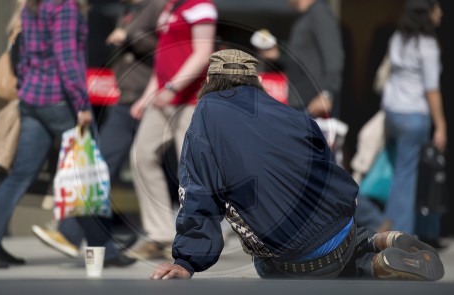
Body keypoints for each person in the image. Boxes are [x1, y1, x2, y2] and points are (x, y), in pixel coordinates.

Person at [149, 49, 444, 281]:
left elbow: (198, 193)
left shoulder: (205, 116)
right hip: (342, 228)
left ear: (209, 82)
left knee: (272, 262)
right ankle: (374, 243)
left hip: (297, 262)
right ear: (257, 82)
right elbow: (328, 173)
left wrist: (186, 261)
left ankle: (370, 266)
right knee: (327, 231)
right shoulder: (291, 114)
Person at [0, 0, 134, 269]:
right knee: (86, 170)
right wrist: (82, 104)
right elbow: (67, 60)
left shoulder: (33, 5)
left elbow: (25, 54)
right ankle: (107, 252)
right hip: (59, 101)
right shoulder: (64, 7)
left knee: (21, 175)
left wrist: (27, 88)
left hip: (32, 98)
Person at [31, 0, 168, 259]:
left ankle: (165, 237)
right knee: (99, 166)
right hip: (126, 99)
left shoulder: (158, 7)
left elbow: (167, 49)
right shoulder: (130, 10)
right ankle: (73, 234)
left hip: (149, 98)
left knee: (147, 165)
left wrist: (130, 37)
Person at [128, 0, 217, 260]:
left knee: (189, 171)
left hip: (189, 101)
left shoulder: (201, 5)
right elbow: (163, 60)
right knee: (141, 156)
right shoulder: (170, 8)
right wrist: (146, 98)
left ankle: (196, 238)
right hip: (163, 99)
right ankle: (160, 235)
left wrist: (172, 89)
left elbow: (203, 53)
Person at [381, 0, 447, 235]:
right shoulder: (427, 45)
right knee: (406, 177)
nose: (441, 12)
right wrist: (441, 124)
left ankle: (387, 222)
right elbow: (431, 89)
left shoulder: (398, 38)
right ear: (427, 13)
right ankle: (400, 236)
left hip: (392, 112)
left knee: (397, 171)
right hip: (413, 115)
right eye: (437, 7)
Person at [258, 0, 344, 118]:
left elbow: (333, 56)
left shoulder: (319, 12)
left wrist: (327, 93)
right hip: (301, 103)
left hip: (314, 104)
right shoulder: (306, 16)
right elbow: (300, 62)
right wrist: (277, 56)